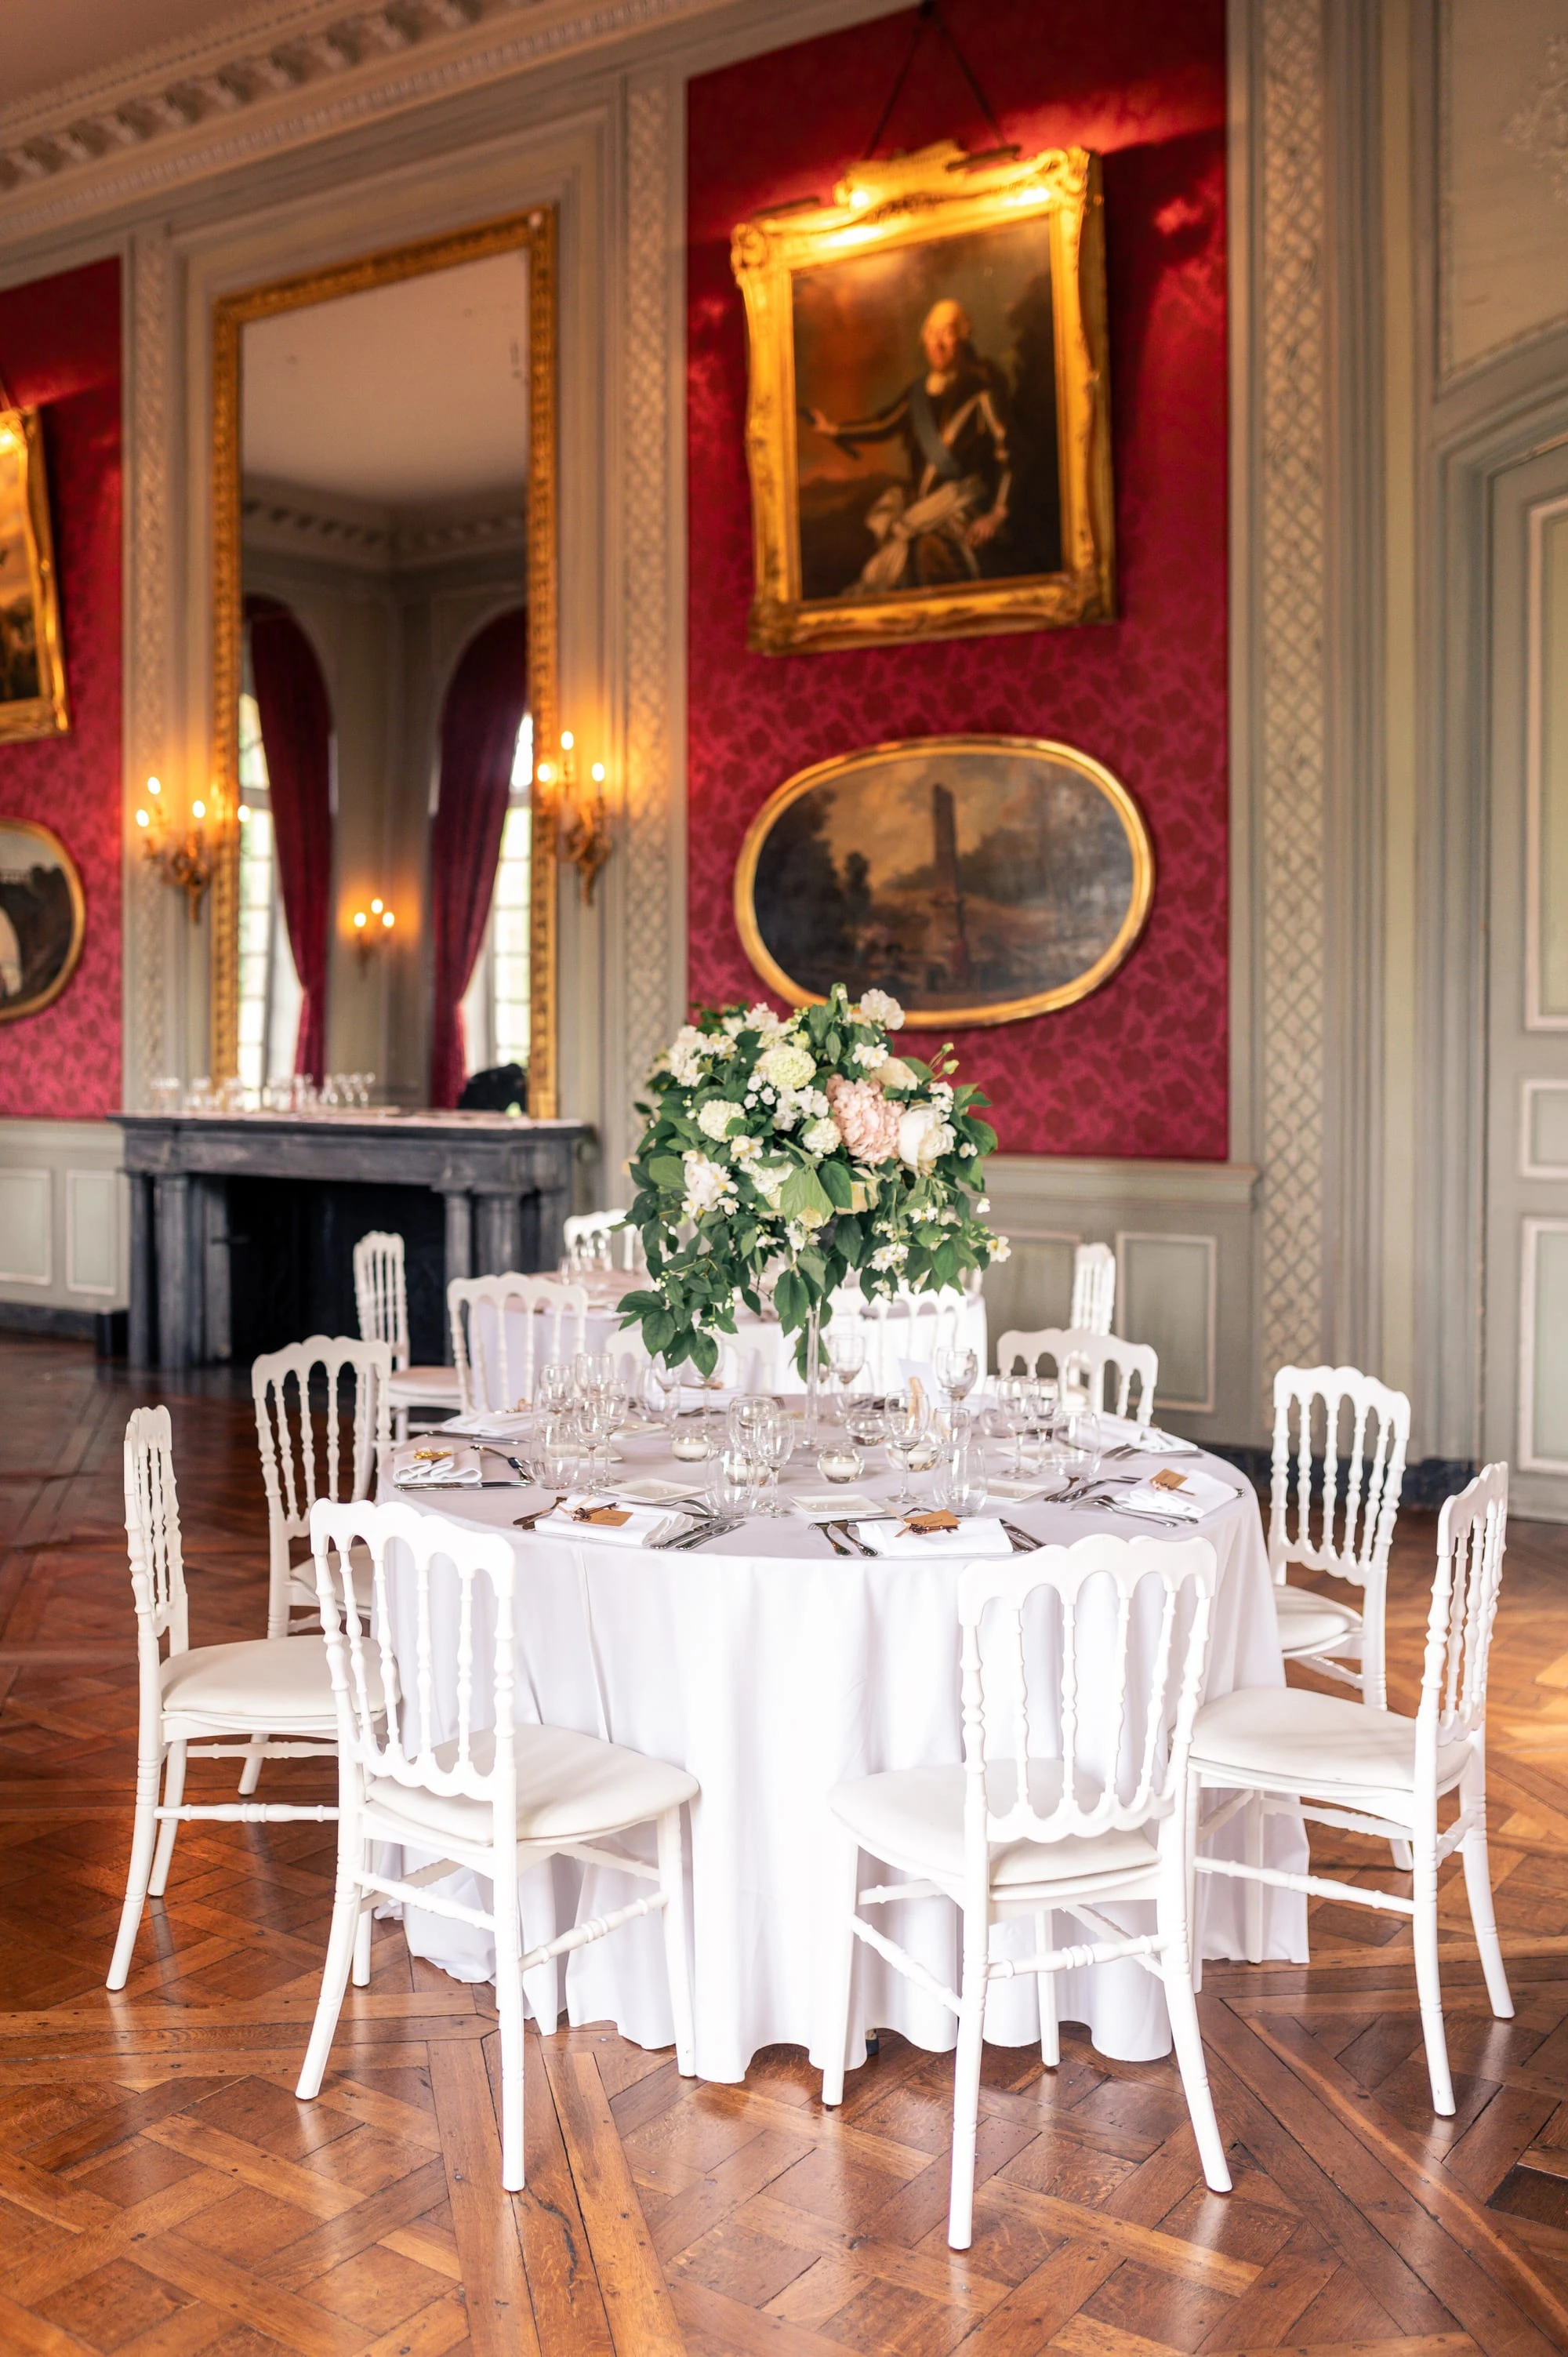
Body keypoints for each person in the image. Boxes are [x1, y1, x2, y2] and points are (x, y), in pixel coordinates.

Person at [806, 298, 1012, 593]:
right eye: (932, 333)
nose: (938, 343)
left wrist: (998, 514)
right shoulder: (916, 394)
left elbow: (1009, 455)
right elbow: (883, 425)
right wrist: (834, 430)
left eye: (947, 333)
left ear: (963, 338)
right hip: (923, 511)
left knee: (931, 555)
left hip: (963, 507)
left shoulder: (981, 392)